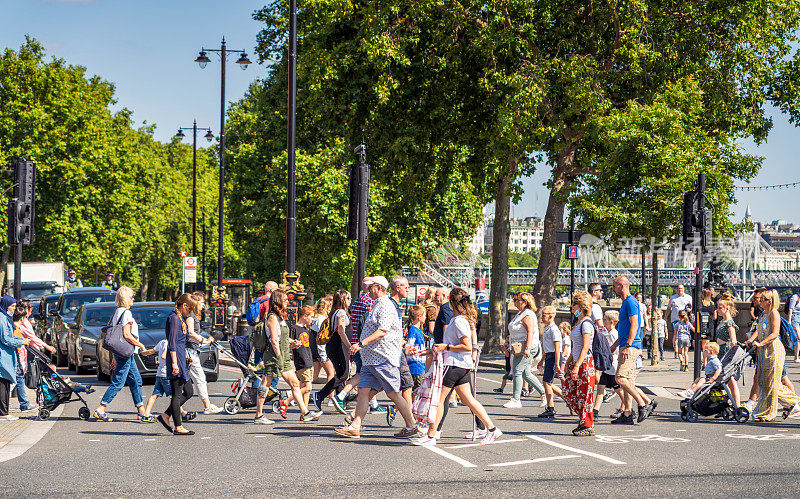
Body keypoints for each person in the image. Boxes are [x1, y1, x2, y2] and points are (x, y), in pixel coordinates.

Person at [410, 287, 501, 446]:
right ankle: (492, 429)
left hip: (454, 364)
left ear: (452, 302)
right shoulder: (460, 319)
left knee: (439, 399)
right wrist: (431, 351)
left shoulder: (458, 321)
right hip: (460, 365)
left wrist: (446, 347)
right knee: (468, 400)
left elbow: (466, 346)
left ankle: (431, 435)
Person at [334, 276, 419, 439]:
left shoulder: (385, 305)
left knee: (393, 393)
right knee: (364, 392)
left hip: (383, 357)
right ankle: (355, 426)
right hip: (371, 360)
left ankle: (411, 426)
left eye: (370, 287)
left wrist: (361, 344)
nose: (367, 290)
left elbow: (382, 331)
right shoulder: (377, 304)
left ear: (379, 287)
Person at [254, 289, 322, 424]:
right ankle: (258, 415)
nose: (287, 302)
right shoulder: (272, 318)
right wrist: (279, 357)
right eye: (284, 300)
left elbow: (282, 338)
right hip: (275, 356)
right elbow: (274, 340)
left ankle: (305, 413)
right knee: (265, 384)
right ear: (278, 301)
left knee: (295, 384)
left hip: (283, 356)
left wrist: (293, 343)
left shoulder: (280, 317)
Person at [94, 286, 155, 423]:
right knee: (118, 382)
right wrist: (140, 344)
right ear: (126, 298)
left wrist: (115, 356)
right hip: (126, 353)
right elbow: (126, 335)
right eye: (131, 297)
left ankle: (141, 412)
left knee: (137, 380)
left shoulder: (117, 312)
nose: (133, 299)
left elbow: (117, 337)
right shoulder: (126, 313)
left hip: (124, 353)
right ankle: (101, 408)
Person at [747, 289, 800, 421]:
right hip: (764, 351)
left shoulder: (773, 313)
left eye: (763, 299)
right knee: (763, 382)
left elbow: (775, 333)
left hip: (774, 350)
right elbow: (759, 330)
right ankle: (784, 404)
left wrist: (761, 343)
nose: (759, 301)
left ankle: (775, 409)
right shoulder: (763, 313)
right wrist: (752, 340)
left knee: (772, 382)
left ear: (769, 301)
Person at [611, 275, 655, 425]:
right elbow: (625, 328)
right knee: (628, 380)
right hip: (625, 345)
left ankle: (643, 404)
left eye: (614, 286)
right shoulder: (626, 302)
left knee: (620, 378)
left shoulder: (630, 302)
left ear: (622, 286)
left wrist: (628, 345)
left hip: (631, 347)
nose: (612, 289)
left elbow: (635, 324)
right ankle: (627, 414)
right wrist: (616, 344)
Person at [156, 294, 196, 435]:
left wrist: (184, 357)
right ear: (184, 306)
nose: (190, 312)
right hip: (175, 359)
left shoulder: (180, 318)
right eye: (190, 309)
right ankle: (178, 426)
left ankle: (166, 415)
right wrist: (174, 363)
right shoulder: (173, 318)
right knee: (177, 394)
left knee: (189, 392)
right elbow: (172, 343)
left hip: (180, 357)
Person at [561, 291, 596, 436]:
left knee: (585, 396)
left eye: (574, 303)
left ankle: (587, 425)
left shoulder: (587, 323)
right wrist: (567, 363)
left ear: (581, 306)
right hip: (576, 362)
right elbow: (575, 346)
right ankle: (583, 420)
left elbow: (585, 347)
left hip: (585, 363)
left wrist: (576, 366)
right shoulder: (577, 323)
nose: (571, 306)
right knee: (568, 391)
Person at [313, 290, 352, 414]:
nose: (350, 301)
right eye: (348, 298)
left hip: (334, 346)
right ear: (343, 300)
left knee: (340, 373)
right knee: (344, 375)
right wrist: (349, 345)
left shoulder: (335, 312)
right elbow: (341, 329)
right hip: (339, 346)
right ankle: (320, 395)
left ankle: (340, 399)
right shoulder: (341, 312)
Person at [503, 292, 545, 409]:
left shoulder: (527, 314)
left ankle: (516, 399)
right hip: (518, 346)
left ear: (525, 302)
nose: (514, 301)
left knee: (517, 371)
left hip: (526, 347)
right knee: (526, 374)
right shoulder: (520, 314)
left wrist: (527, 348)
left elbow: (530, 332)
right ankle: (544, 394)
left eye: (517, 299)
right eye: (514, 299)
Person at [186, 291, 222, 414]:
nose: (203, 305)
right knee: (199, 378)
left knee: (181, 381)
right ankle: (207, 406)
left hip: (190, 350)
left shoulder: (193, 316)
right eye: (201, 302)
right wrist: (203, 341)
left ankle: (176, 408)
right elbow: (190, 333)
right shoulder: (191, 316)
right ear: (195, 303)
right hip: (189, 352)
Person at [0, 297, 30, 420]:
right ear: (6, 305)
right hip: (3, 356)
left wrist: (21, 341)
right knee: (3, 383)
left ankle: (4, 411)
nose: (13, 309)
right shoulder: (2, 318)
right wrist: (21, 341)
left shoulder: (5, 318)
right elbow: (5, 338)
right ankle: (3, 413)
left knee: (5, 383)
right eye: (12, 306)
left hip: (6, 355)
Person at [593, 311, 620, 419]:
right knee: (600, 387)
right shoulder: (608, 333)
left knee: (618, 389)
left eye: (605, 320)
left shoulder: (614, 334)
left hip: (612, 366)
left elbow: (614, 350)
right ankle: (595, 411)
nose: (603, 321)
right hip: (607, 366)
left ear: (611, 322)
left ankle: (626, 406)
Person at [538, 306, 563, 418]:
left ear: (551, 316)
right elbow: (547, 347)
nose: (542, 317)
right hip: (549, 355)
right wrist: (541, 360)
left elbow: (557, 348)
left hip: (553, 356)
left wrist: (557, 363)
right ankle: (567, 399)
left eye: (544, 315)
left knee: (547, 382)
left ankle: (550, 408)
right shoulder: (548, 328)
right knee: (548, 383)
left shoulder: (554, 329)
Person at [290, 305, 315, 409]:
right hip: (301, 361)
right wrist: (294, 344)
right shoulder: (294, 328)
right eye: (311, 316)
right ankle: (287, 400)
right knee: (308, 388)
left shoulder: (306, 328)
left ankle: (304, 411)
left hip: (309, 359)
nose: (312, 319)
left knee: (305, 388)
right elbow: (289, 344)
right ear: (305, 316)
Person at [310, 297, 334, 388]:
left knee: (314, 377)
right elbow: (321, 338)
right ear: (327, 307)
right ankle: (330, 398)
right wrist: (323, 356)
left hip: (316, 351)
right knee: (331, 373)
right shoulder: (322, 319)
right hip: (321, 352)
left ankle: (295, 392)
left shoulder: (316, 318)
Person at [405, 305, 427, 393]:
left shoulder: (418, 330)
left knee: (415, 391)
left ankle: (405, 406)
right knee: (418, 391)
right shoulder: (413, 330)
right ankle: (401, 407)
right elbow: (409, 345)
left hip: (419, 365)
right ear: (419, 317)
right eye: (425, 315)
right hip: (415, 365)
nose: (426, 317)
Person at [788, 288, 800, 363]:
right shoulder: (795, 297)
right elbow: (790, 309)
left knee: (798, 339)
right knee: (798, 336)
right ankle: (796, 357)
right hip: (795, 317)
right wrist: (789, 322)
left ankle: (796, 356)